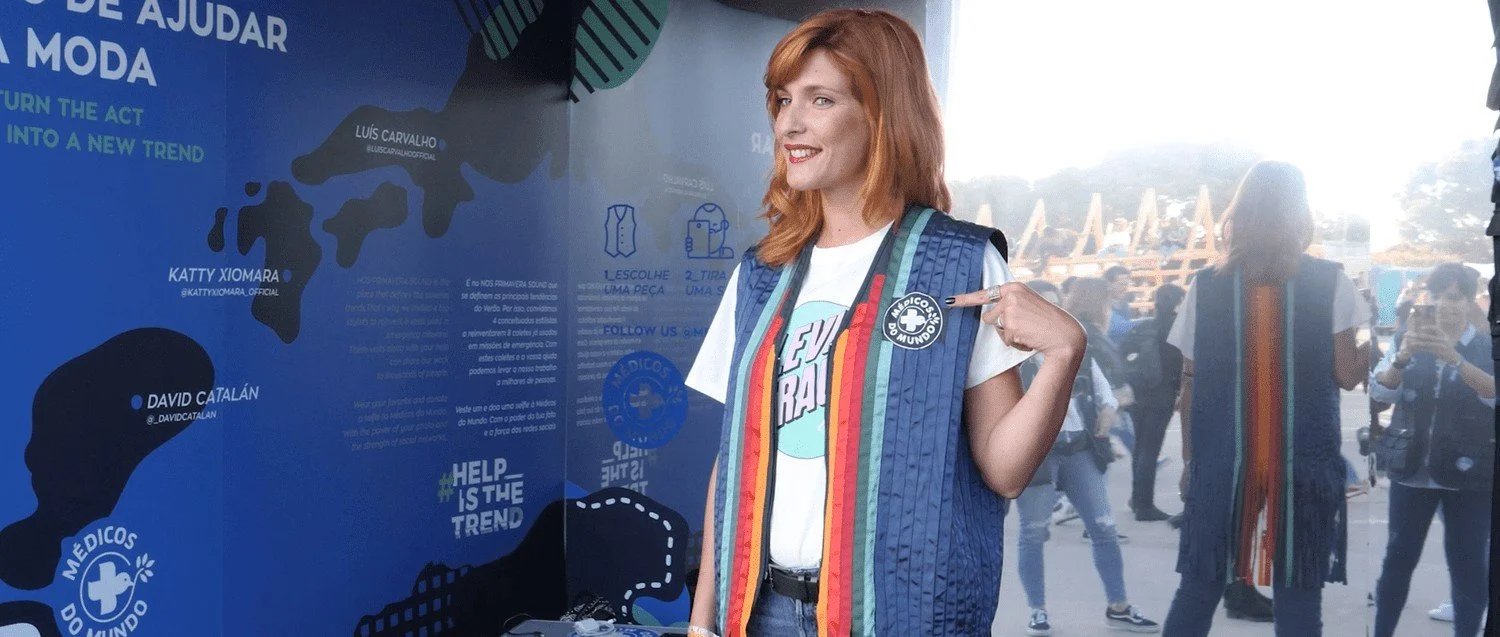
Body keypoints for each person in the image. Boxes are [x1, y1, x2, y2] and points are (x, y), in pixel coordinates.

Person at [682, 10, 1086, 636]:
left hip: (898, 617)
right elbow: (733, 461)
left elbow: (1005, 470)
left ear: (881, 113)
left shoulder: (958, 261)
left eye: (821, 100)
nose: (790, 122)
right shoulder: (762, 273)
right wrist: (702, 619)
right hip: (761, 614)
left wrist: (1064, 354)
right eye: (783, 99)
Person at [1161, 161, 1371, 636]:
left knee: (1198, 589)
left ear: (1242, 211)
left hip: (1223, 462)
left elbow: (1189, 383)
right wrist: (1370, 345)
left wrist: (1192, 463)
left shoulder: (1207, 285)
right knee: (1298, 596)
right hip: (1303, 463)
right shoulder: (1329, 280)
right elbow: (1346, 373)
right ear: (1300, 212)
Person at [1013, 277, 1161, 636]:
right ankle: (1037, 609)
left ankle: (1119, 606)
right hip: (1037, 457)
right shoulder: (1008, 355)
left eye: (1053, 303)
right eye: (1039, 303)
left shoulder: (1073, 344)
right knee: (1033, 534)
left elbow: (1103, 390)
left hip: (1079, 447)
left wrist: (1108, 412)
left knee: (1104, 529)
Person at [1369, 263, 1494, 637]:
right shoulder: (1408, 339)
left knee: (1469, 568)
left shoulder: (1487, 346)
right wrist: (1402, 356)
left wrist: (1456, 358)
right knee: (1397, 562)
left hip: (1470, 477)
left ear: (1471, 301)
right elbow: (1381, 393)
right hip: (1411, 472)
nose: (1444, 305)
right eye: (1437, 296)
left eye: (1454, 297)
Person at [1119, 283, 1185, 521]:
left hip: (1138, 392)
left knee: (1140, 448)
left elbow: (1122, 353)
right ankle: (1144, 505)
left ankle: (1138, 499)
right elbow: (1183, 363)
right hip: (1163, 393)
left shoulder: (1145, 325)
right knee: (1150, 449)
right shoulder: (1179, 327)